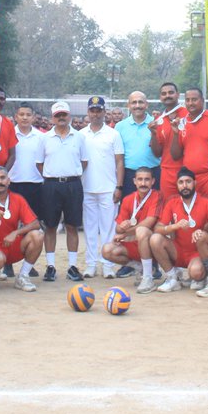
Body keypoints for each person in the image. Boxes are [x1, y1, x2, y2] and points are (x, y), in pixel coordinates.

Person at [36, 102, 88, 282]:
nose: (61, 118)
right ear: (52, 118)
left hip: (73, 184)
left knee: (72, 226)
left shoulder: (79, 137)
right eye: (58, 115)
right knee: (50, 226)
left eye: (64, 114)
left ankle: (72, 266)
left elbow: (84, 162)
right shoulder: (45, 138)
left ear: (69, 116)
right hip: (51, 185)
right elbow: (39, 163)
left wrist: (69, 174)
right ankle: (50, 266)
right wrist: (54, 175)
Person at [0, 167, 44, 292]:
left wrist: (16, 232)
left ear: (8, 181)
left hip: (13, 245)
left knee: (38, 236)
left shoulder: (18, 199)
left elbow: (35, 224)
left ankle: (23, 276)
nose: (0, 182)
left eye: (2, 178)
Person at [79, 96, 123, 278]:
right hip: (86, 188)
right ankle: (90, 265)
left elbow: (119, 162)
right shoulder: (80, 135)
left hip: (108, 188)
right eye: (92, 110)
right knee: (89, 229)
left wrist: (119, 186)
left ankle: (107, 265)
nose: (95, 114)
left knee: (108, 229)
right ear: (88, 112)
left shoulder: (113, 134)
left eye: (99, 110)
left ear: (104, 112)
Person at [150, 169, 208, 292]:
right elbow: (157, 228)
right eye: (181, 182)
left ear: (195, 183)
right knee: (155, 239)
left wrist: (204, 231)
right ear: (177, 185)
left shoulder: (206, 202)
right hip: (178, 250)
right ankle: (172, 278)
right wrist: (175, 226)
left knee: (196, 273)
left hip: (198, 252)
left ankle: (200, 276)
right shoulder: (172, 202)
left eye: (188, 181)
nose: (184, 185)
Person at [101, 168, 162, 291]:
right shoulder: (128, 199)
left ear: (153, 181)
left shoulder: (157, 196)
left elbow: (149, 222)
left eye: (147, 179)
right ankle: (141, 269)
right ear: (134, 181)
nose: (143, 183)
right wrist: (122, 226)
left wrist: (125, 234)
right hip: (135, 243)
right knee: (107, 250)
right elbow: (118, 229)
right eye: (140, 179)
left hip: (153, 245)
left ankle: (148, 278)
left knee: (142, 231)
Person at [168, 88, 208, 203]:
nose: (190, 103)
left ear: (202, 101)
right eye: (187, 100)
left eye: (194, 99)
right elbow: (175, 155)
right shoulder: (182, 122)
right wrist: (175, 133)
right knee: (194, 212)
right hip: (189, 179)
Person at [117, 91, 161, 198]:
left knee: (154, 210)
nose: (137, 106)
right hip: (129, 176)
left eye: (140, 102)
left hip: (153, 174)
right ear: (128, 105)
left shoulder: (157, 123)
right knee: (129, 211)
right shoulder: (120, 127)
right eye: (134, 102)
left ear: (146, 104)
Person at [149, 82, 188, 199]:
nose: (167, 96)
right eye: (164, 94)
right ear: (160, 97)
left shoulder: (188, 115)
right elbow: (157, 153)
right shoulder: (159, 120)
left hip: (187, 170)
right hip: (167, 171)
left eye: (171, 92)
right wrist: (153, 134)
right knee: (169, 207)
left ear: (177, 95)